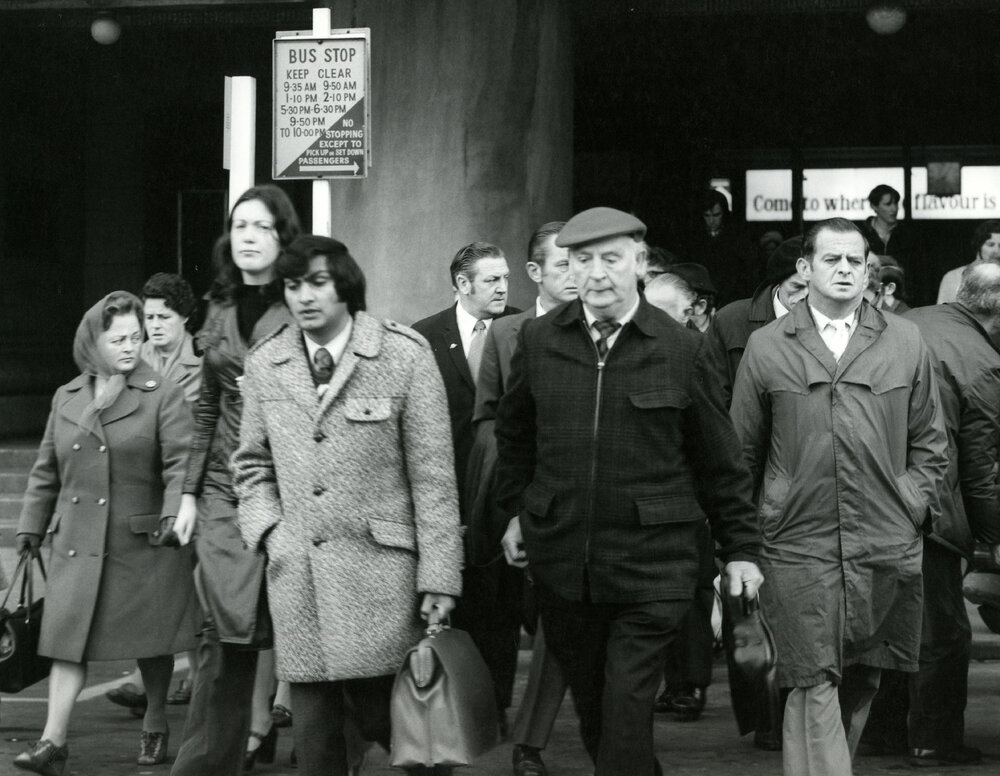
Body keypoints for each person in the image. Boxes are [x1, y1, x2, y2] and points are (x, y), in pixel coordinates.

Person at [495, 206, 763, 776]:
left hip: (653, 566)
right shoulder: (540, 339)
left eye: (611, 259)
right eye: (581, 260)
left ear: (640, 264)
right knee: (598, 718)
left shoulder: (682, 349)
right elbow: (514, 438)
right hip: (566, 566)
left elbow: (722, 461)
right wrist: (518, 512)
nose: (595, 273)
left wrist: (741, 549)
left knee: (623, 716)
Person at [231, 235, 464, 776]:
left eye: (317, 282)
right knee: (315, 751)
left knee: (413, 741)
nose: (304, 297)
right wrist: (272, 532)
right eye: (293, 286)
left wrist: (440, 579)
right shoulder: (269, 363)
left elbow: (432, 477)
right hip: (301, 585)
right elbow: (249, 464)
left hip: (386, 587)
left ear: (345, 285)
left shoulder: (402, 354)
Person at [730, 217, 949, 776]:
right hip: (796, 541)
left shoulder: (904, 340)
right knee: (811, 675)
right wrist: (743, 538)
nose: (846, 270)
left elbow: (931, 440)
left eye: (857, 261)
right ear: (805, 268)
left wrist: (910, 500)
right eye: (833, 259)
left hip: (883, 534)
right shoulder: (767, 345)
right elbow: (740, 454)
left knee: (863, 673)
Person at [14, 291, 200, 774]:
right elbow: (45, 470)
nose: (130, 346)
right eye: (118, 338)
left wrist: (173, 512)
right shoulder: (67, 396)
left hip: (142, 542)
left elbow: (182, 461)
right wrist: (31, 526)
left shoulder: (162, 392)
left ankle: (155, 721)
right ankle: (53, 741)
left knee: (151, 644)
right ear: (93, 340)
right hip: (77, 543)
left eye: (136, 337)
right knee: (66, 644)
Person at [168, 184, 301, 776]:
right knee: (222, 636)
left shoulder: (304, 302)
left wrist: (276, 397)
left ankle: (328, 747)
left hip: (294, 488)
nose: (247, 236)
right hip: (224, 490)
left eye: (261, 227)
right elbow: (206, 406)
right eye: (239, 224)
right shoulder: (219, 306)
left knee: (307, 636)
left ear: (283, 238)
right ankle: (203, 765)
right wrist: (190, 492)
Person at [861, 262, 1000, 767]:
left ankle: (883, 735)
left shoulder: (910, 319)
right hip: (929, 508)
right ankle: (934, 739)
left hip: (873, 495)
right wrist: (992, 539)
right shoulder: (982, 362)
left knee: (905, 625)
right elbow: (980, 470)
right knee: (944, 632)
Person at [465, 222, 576, 776]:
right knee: (539, 621)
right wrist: (509, 510)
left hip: (584, 503)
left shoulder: (601, 327)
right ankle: (528, 736)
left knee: (566, 625)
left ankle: (572, 737)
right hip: (525, 502)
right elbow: (488, 422)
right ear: (535, 273)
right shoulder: (506, 336)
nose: (578, 275)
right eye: (564, 265)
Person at [412, 241, 520, 732]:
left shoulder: (523, 330)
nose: (503, 288)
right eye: (493, 279)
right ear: (463, 284)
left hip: (502, 494)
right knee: (455, 602)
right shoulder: (424, 337)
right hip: (446, 494)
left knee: (502, 608)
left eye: (505, 278)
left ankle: (494, 706)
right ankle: (454, 705)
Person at [106, 272, 203, 714]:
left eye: (165, 315)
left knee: (195, 595)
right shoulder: (132, 358)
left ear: (185, 316)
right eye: (149, 316)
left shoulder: (201, 362)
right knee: (154, 595)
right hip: (145, 491)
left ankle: (199, 687)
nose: (156, 324)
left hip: (187, 486)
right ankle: (153, 688)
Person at [711, 236, 808, 399]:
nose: (807, 295)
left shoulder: (838, 321)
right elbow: (714, 398)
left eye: (816, 287)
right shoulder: (729, 321)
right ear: (779, 282)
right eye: (797, 286)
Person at [685, 189, 755, 305]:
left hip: (732, 297)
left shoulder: (737, 238)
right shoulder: (694, 239)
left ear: (725, 214)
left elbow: (745, 272)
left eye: (716, 215)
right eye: (707, 216)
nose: (711, 220)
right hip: (701, 298)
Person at [936, 220, 1000, 303]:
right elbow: (942, 313)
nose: (997, 251)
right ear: (978, 246)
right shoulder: (953, 277)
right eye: (990, 245)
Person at [858, 185, 913, 267]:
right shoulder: (861, 233)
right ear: (874, 206)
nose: (894, 209)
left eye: (896, 203)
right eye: (888, 204)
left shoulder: (907, 234)